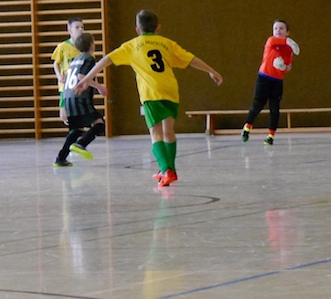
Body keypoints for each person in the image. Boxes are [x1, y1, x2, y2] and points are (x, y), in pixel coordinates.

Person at [74, 10, 223, 187]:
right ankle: (168, 170)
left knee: (156, 133)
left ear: (138, 30)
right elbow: (191, 59)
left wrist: (87, 79)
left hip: (151, 93)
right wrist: (211, 71)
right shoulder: (167, 43)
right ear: (158, 28)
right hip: (170, 90)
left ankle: (166, 170)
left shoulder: (132, 45)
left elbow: (106, 60)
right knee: (169, 131)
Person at [240, 20, 300, 145]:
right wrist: (290, 42)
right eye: (276, 28)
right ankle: (247, 127)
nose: (278, 31)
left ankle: (271, 135)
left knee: (275, 108)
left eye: (281, 28)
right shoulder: (271, 41)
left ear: (287, 32)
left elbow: (288, 66)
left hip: (277, 81)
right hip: (264, 78)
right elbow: (284, 42)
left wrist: (283, 67)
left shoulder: (288, 50)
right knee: (258, 104)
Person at [54, 32, 108, 167]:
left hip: (68, 97)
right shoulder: (89, 59)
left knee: (76, 129)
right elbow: (81, 77)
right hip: (79, 97)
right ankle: (81, 144)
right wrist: (99, 87)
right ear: (92, 45)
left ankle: (60, 158)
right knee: (99, 124)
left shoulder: (75, 60)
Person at [52, 17, 85, 125]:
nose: (80, 29)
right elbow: (56, 63)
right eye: (77, 27)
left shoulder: (84, 47)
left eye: (82, 27)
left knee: (78, 113)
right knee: (64, 115)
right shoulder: (62, 46)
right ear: (70, 30)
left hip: (78, 84)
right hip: (65, 84)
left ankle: (76, 131)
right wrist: (58, 76)